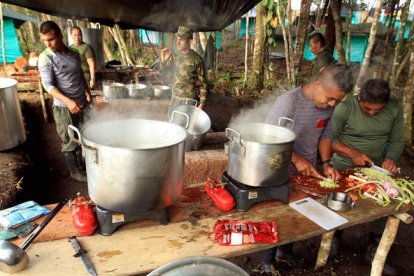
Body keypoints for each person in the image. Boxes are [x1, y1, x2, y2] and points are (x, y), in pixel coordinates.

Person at [261, 64, 354, 273]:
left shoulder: (329, 106)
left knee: (297, 213)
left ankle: (285, 252)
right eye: (330, 98)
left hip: (306, 171)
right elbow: (267, 137)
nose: (331, 104)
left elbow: (326, 135)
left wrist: (327, 162)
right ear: (318, 83)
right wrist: (295, 158)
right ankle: (267, 259)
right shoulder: (289, 102)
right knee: (277, 213)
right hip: (278, 169)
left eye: (337, 101)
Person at [331, 79, 403, 275]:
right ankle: (334, 237)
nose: (372, 113)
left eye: (377, 110)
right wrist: (353, 154)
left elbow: (397, 140)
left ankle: (374, 246)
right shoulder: (344, 108)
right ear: (359, 97)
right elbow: (331, 140)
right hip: (344, 163)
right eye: (367, 109)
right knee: (340, 202)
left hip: (376, 165)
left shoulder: (395, 107)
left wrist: (391, 158)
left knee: (384, 201)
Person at [38, 21, 91, 182]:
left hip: (81, 102)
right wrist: (68, 101)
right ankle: (74, 171)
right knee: (69, 140)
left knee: (83, 134)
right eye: (45, 40)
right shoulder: (45, 58)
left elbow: (80, 74)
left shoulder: (74, 53)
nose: (48, 43)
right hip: (63, 107)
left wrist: (87, 92)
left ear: (60, 36)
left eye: (51, 39)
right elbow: (48, 86)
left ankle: (82, 165)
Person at [160, 26, 207, 119]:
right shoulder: (176, 56)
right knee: (172, 122)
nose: (177, 42)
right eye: (177, 39)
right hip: (175, 97)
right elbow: (163, 74)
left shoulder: (197, 59)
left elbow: (203, 84)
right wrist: (163, 62)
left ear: (189, 41)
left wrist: (202, 104)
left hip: (188, 100)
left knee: (184, 125)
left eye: (181, 39)